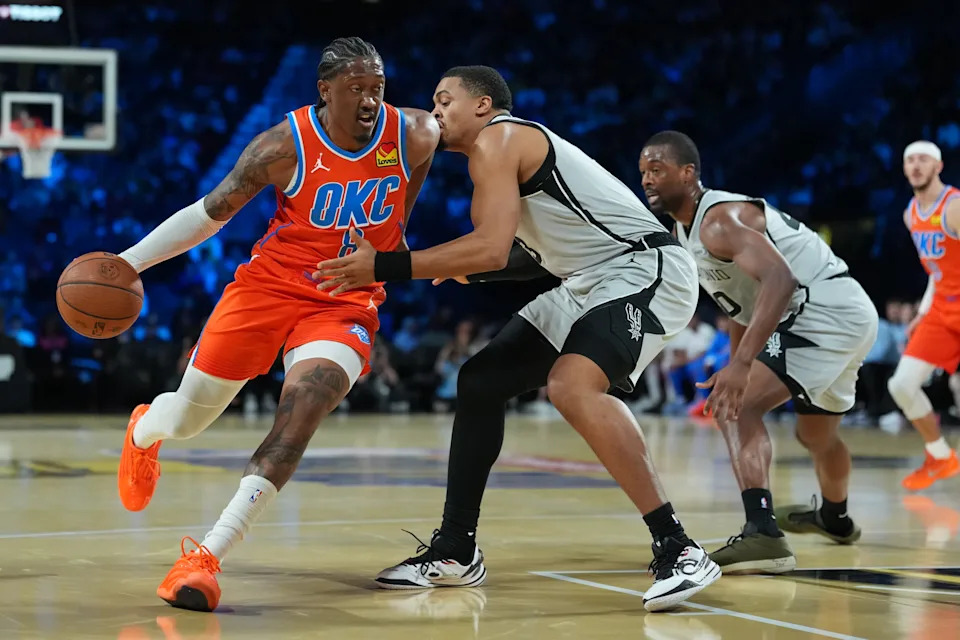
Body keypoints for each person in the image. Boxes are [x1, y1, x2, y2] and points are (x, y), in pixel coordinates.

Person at [313, 66, 720, 612]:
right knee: (480, 380)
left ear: (483, 106)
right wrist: (472, 271)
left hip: (644, 268)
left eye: (445, 100)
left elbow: (488, 246)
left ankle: (679, 548)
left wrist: (384, 265)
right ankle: (456, 549)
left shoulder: (500, 138)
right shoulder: (503, 150)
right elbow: (517, 258)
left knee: (572, 387)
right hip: (588, 280)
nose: (434, 112)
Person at [112, 37, 439, 612]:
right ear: (325, 91)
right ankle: (144, 431)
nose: (369, 100)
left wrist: (432, 261)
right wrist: (129, 262)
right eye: (356, 89)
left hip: (344, 300)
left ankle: (205, 558)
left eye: (377, 88)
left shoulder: (414, 134)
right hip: (266, 289)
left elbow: (401, 215)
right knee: (188, 420)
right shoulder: (281, 146)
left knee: (304, 404)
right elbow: (208, 214)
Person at [639, 131, 878, 574]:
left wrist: (743, 366)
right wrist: (735, 365)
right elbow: (742, 305)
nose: (647, 180)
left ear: (689, 173)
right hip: (845, 311)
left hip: (821, 312)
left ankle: (763, 533)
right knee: (816, 436)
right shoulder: (685, 229)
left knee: (735, 408)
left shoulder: (718, 220)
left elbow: (780, 281)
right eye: (643, 173)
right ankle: (835, 518)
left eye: (657, 170)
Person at [887, 141, 960, 490]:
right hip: (942, 308)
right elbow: (937, 271)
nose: (916, 165)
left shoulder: (954, 207)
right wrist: (925, 310)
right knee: (901, 385)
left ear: (938, 166)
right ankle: (940, 455)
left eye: (923, 160)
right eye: (910, 160)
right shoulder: (910, 213)